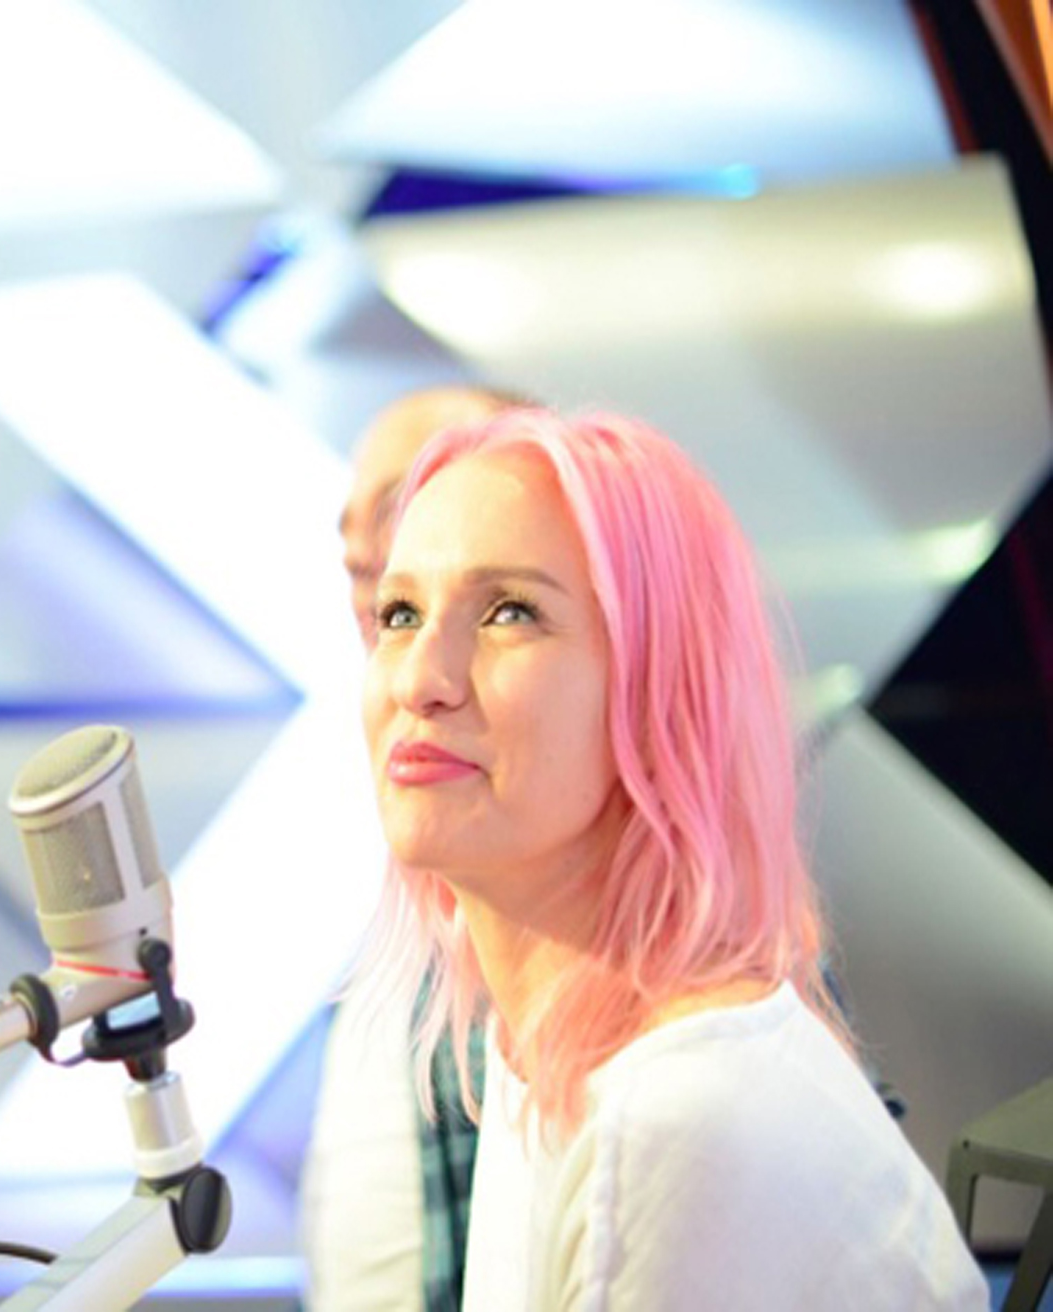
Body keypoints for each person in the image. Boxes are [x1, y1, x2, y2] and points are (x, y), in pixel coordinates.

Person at [358, 407, 987, 1308]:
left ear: (661, 689)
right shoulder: (540, 1054)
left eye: (509, 613)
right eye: (399, 614)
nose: (419, 679)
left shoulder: (670, 1117)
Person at [305, 384, 525, 1312]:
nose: (360, 550)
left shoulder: (589, 882)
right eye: (348, 525)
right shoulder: (414, 831)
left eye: (394, 506)